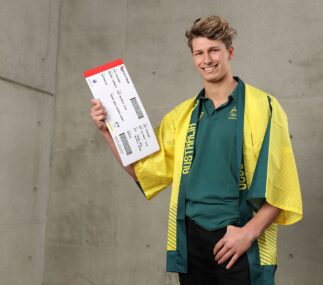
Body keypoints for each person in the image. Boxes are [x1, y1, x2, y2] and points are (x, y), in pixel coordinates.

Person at [90, 16, 302, 285]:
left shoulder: (265, 107)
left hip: (240, 237)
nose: (207, 59)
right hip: (191, 239)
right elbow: (142, 171)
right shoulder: (182, 116)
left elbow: (282, 185)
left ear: (230, 52)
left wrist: (247, 234)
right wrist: (106, 132)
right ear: (193, 57)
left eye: (214, 50)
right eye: (199, 53)